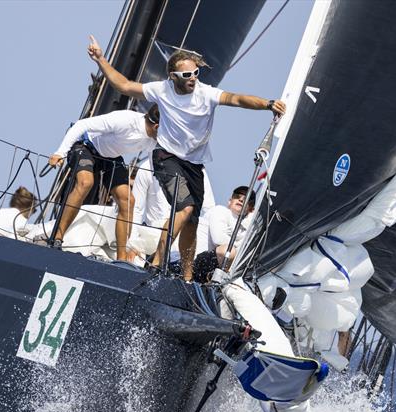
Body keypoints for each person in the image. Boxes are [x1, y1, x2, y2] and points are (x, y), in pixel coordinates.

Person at [87, 35, 285, 280]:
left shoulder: (206, 94)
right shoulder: (161, 90)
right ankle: (156, 262)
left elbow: (236, 99)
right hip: (166, 157)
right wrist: (101, 60)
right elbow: (125, 86)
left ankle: (187, 277)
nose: (192, 79)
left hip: (193, 166)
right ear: (173, 77)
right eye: (186, 75)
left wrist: (267, 104)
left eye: (195, 74)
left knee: (192, 220)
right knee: (186, 206)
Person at [47, 105, 160, 260]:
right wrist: (60, 152)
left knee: (127, 200)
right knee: (86, 183)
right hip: (87, 146)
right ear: (157, 126)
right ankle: (56, 239)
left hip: (111, 157)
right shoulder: (125, 120)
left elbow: (155, 168)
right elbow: (81, 124)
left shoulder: (154, 141)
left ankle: (121, 259)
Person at [192, 186, 254, 282]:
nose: (241, 200)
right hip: (194, 263)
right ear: (230, 201)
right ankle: (218, 286)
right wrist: (238, 249)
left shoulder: (246, 227)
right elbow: (218, 239)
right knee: (228, 251)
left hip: (215, 268)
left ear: (251, 209)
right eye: (237, 196)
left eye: (247, 199)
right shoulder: (220, 211)